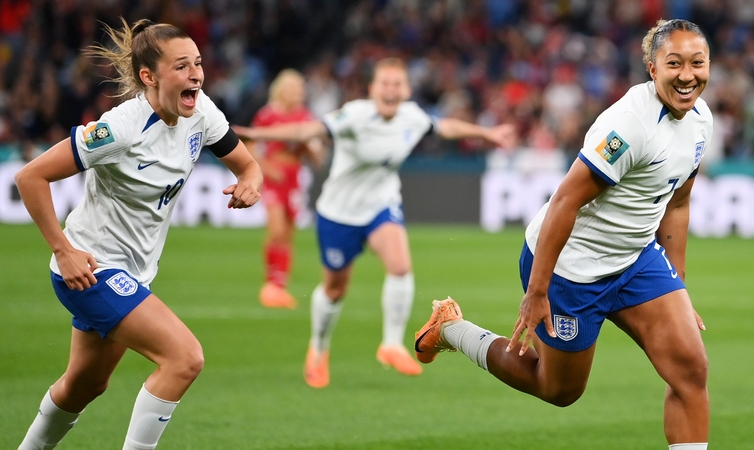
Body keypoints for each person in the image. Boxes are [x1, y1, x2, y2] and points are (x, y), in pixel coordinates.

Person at [414, 19, 712, 450]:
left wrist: (678, 286)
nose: (687, 75)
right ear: (652, 68)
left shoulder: (700, 119)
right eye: (675, 63)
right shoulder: (628, 127)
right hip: (571, 269)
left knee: (690, 369)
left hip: (635, 258)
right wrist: (537, 291)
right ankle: (452, 329)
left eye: (697, 63)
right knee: (558, 390)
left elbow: (678, 202)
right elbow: (564, 202)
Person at [14, 19, 262, 449]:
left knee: (83, 387)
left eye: (198, 64)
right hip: (91, 268)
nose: (196, 75)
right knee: (184, 359)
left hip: (136, 271)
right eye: (182, 66)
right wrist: (64, 249)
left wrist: (249, 183)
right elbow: (30, 177)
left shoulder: (201, 111)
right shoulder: (121, 128)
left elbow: (247, 164)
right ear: (149, 77)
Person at [233, 57, 516, 388]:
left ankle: (391, 345)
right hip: (339, 212)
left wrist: (487, 133)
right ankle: (318, 349)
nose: (391, 90)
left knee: (400, 266)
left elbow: (447, 126)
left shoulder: (412, 116)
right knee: (335, 288)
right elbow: (306, 129)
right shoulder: (355, 114)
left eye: (397, 84)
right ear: (373, 89)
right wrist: (256, 132)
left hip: (381, 204)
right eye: (385, 84)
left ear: (406, 90)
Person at [246, 69, 325, 309]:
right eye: (292, 88)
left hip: (294, 179)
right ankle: (270, 284)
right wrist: (267, 168)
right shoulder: (268, 115)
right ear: (281, 90)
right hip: (275, 177)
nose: (296, 93)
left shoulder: (306, 118)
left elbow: (319, 158)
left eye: (299, 89)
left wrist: (308, 146)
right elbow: (250, 145)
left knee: (289, 233)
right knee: (277, 228)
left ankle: (279, 287)